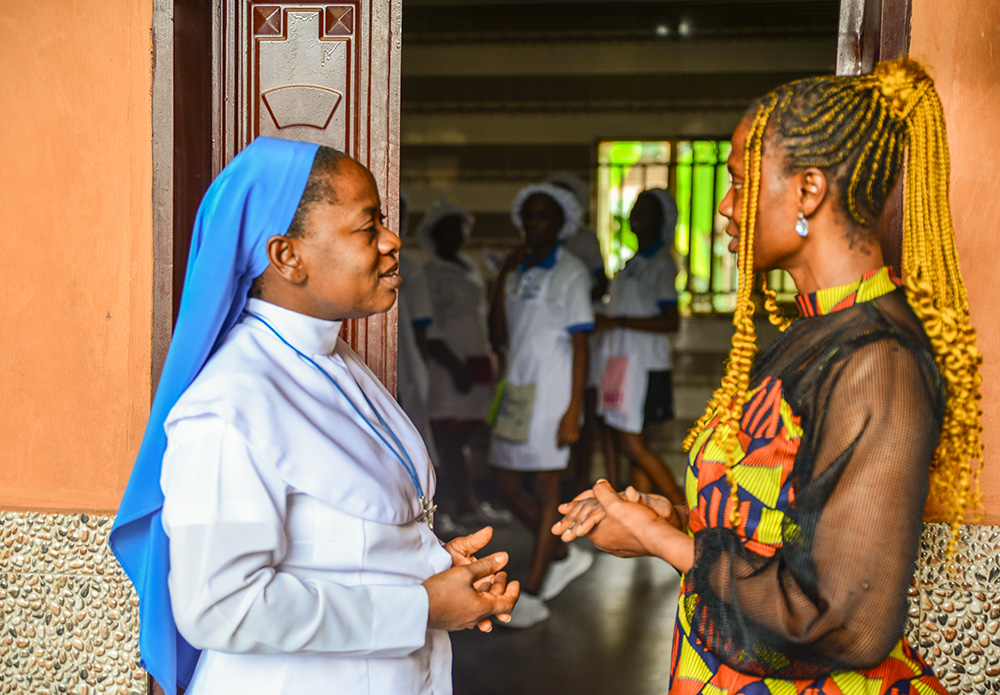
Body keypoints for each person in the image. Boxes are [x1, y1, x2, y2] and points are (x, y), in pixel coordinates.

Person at [554, 58, 983, 693]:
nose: (725, 206)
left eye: (738, 181)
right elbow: (781, 527)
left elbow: (847, 620)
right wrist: (672, 519)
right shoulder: (809, 335)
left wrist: (662, 543)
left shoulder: (875, 359)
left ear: (808, 192)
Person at [109, 137, 519, 695]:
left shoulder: (332, 360)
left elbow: (332, 535)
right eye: (367, 227)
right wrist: (419, 605)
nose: (393, 242)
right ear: (287, 256)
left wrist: (427, 564)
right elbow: (220, 608)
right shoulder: (230, 407)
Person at [489, 182, 596, 628]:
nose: (533, 223)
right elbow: (498, 330)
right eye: (528, 215)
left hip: (553, 390)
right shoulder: (517, 269)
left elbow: (582, 342)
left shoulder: (570, 270)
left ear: (561, 225)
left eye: (543, 216)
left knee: (549, 483)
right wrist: (501, 277)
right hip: (517, 388)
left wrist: (574, 409)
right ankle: (563, 549)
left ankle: (532, 590)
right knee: (506, 481)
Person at [416, 201, 510, 529]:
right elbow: (431, 326)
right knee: (447, 438)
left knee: (466, 435)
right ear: (433, 234)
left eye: (459, 228)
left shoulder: (468, 265)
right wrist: (454, 364)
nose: (454, 235)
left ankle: (466, 503)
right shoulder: (430, 272)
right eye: (446, 229)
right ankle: (446, 508)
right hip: (450, 365)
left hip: (477, 360)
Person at [594, 188, 685, 504]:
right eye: (635, 210)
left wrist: (617, 321)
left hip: (644, 364)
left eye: (645, 212)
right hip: (622, 362)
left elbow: (670, 320)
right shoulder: (632, 263)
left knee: (633, 443)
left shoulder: (661, 263)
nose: (636, 217)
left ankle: (683, 507)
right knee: (632, 440)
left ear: (661, 220)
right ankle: (642, 508)